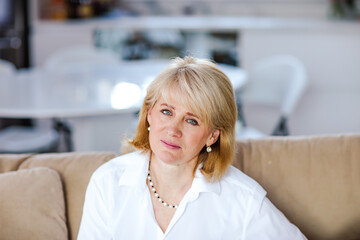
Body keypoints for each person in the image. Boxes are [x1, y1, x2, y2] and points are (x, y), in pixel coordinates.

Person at [77, 56, 307, 240]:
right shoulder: (107, 183)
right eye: (166, 112)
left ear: (212, 136)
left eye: (192, 120)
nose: (173, 130)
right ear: (149, 115)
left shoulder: (243, 200)